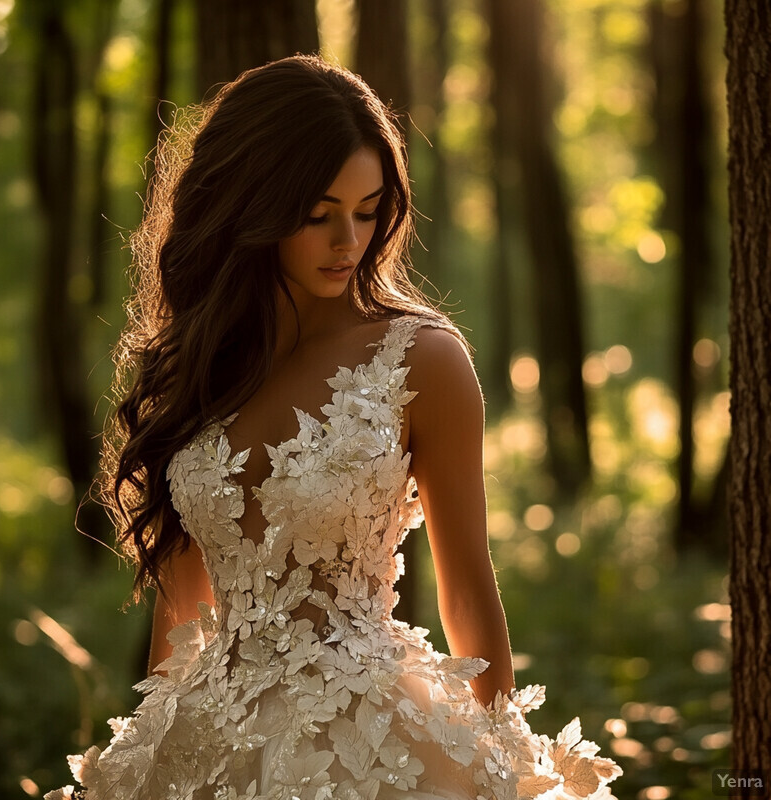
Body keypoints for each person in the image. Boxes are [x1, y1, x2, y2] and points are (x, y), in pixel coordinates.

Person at [46, 55, 621, 800]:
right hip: (212, 738)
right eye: (318, 215)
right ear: (252, 205)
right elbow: (182, 607)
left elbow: (469, 589)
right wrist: (153, 752)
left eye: (368, 208)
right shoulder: (201, 365)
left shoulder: (421, 360)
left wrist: (505, 763)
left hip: (371, 744)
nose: (348, 240)